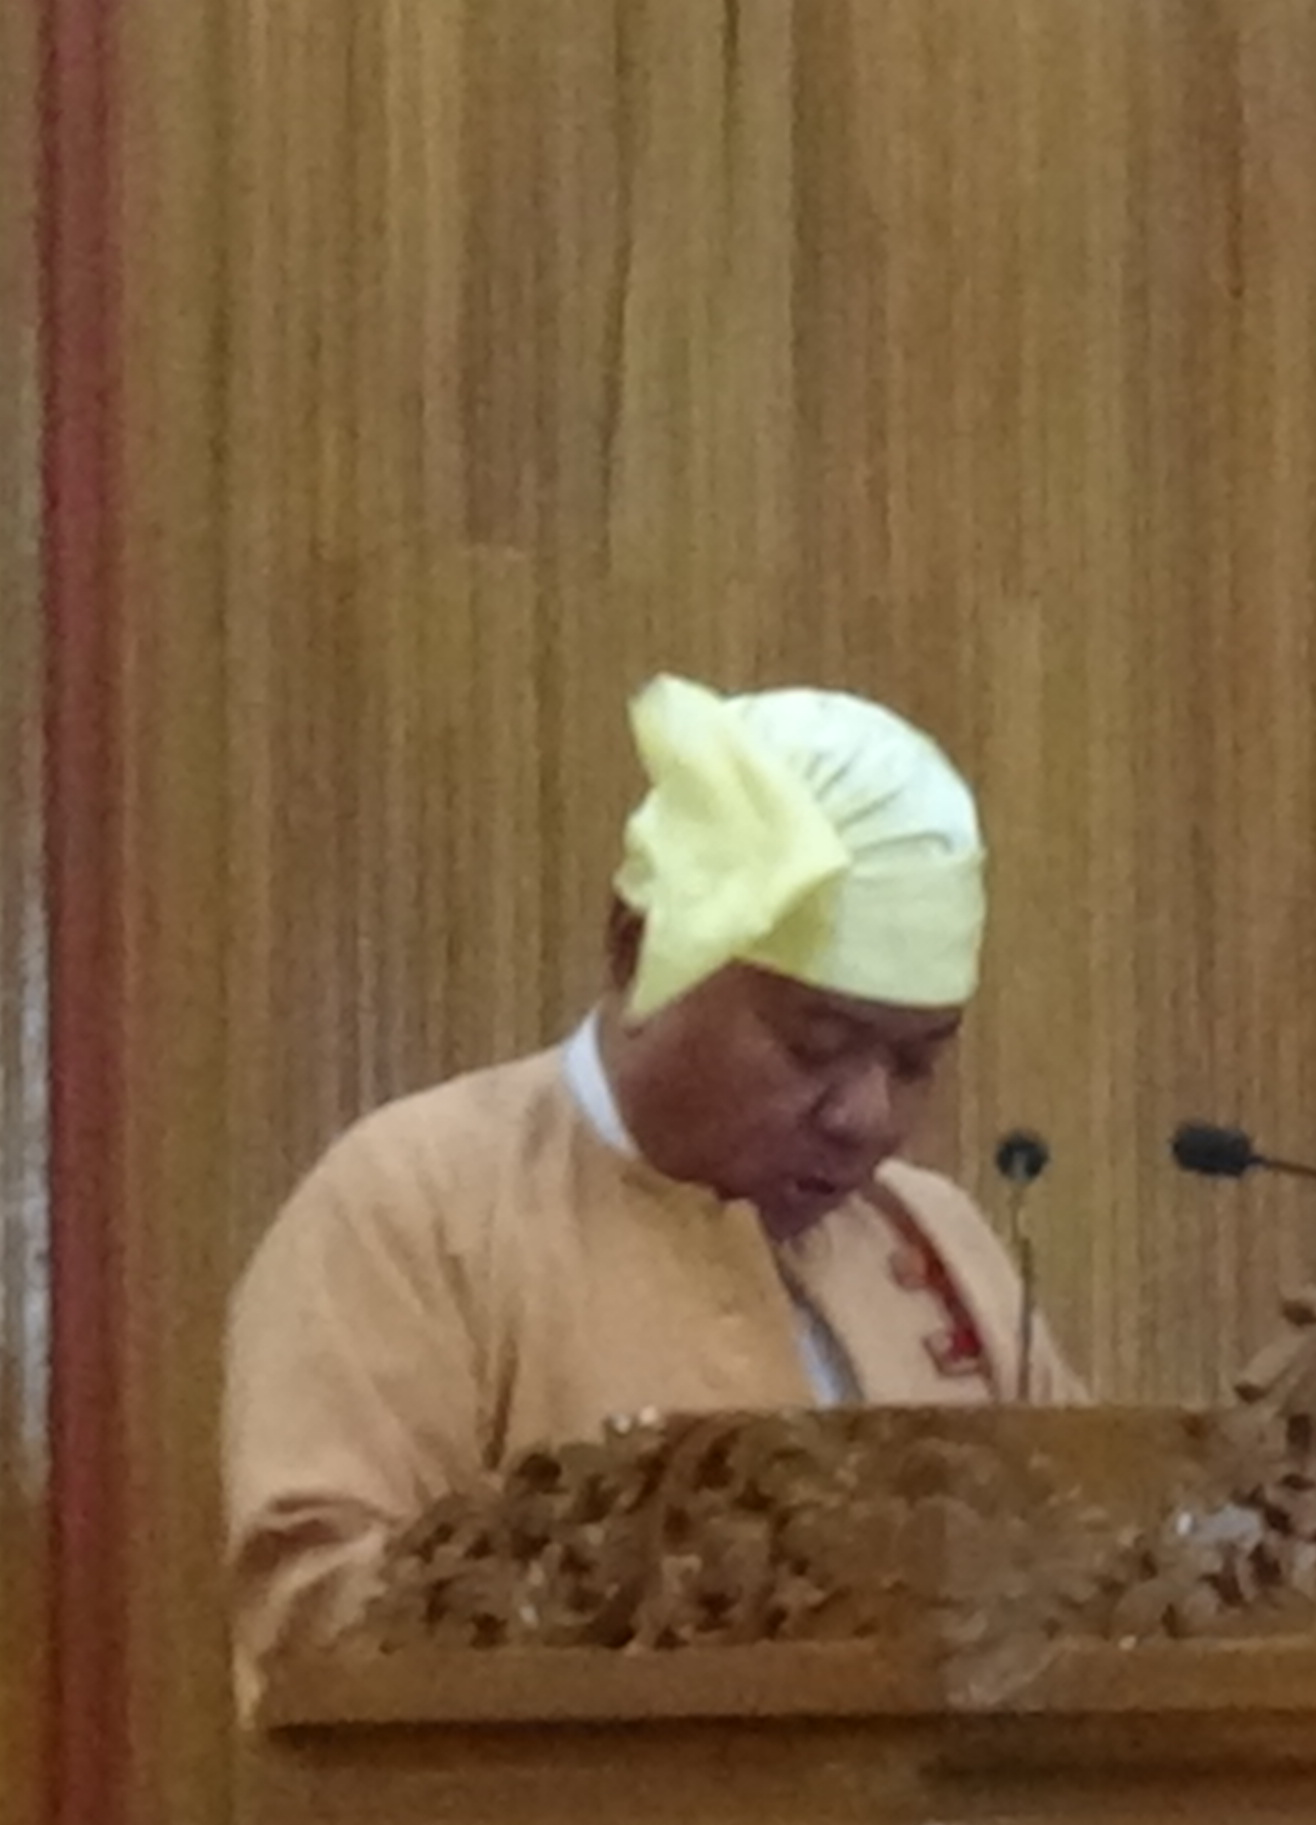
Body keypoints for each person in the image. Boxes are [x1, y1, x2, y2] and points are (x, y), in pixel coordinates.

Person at [222, 675, 1080, 1710]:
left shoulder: (935, 1235)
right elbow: (313, 1629)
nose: (865, 1114)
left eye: (914, 1061)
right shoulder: (418, 1207)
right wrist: (640, 1577)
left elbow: (1094, 1583)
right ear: (638, 950)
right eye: (816, 1045)